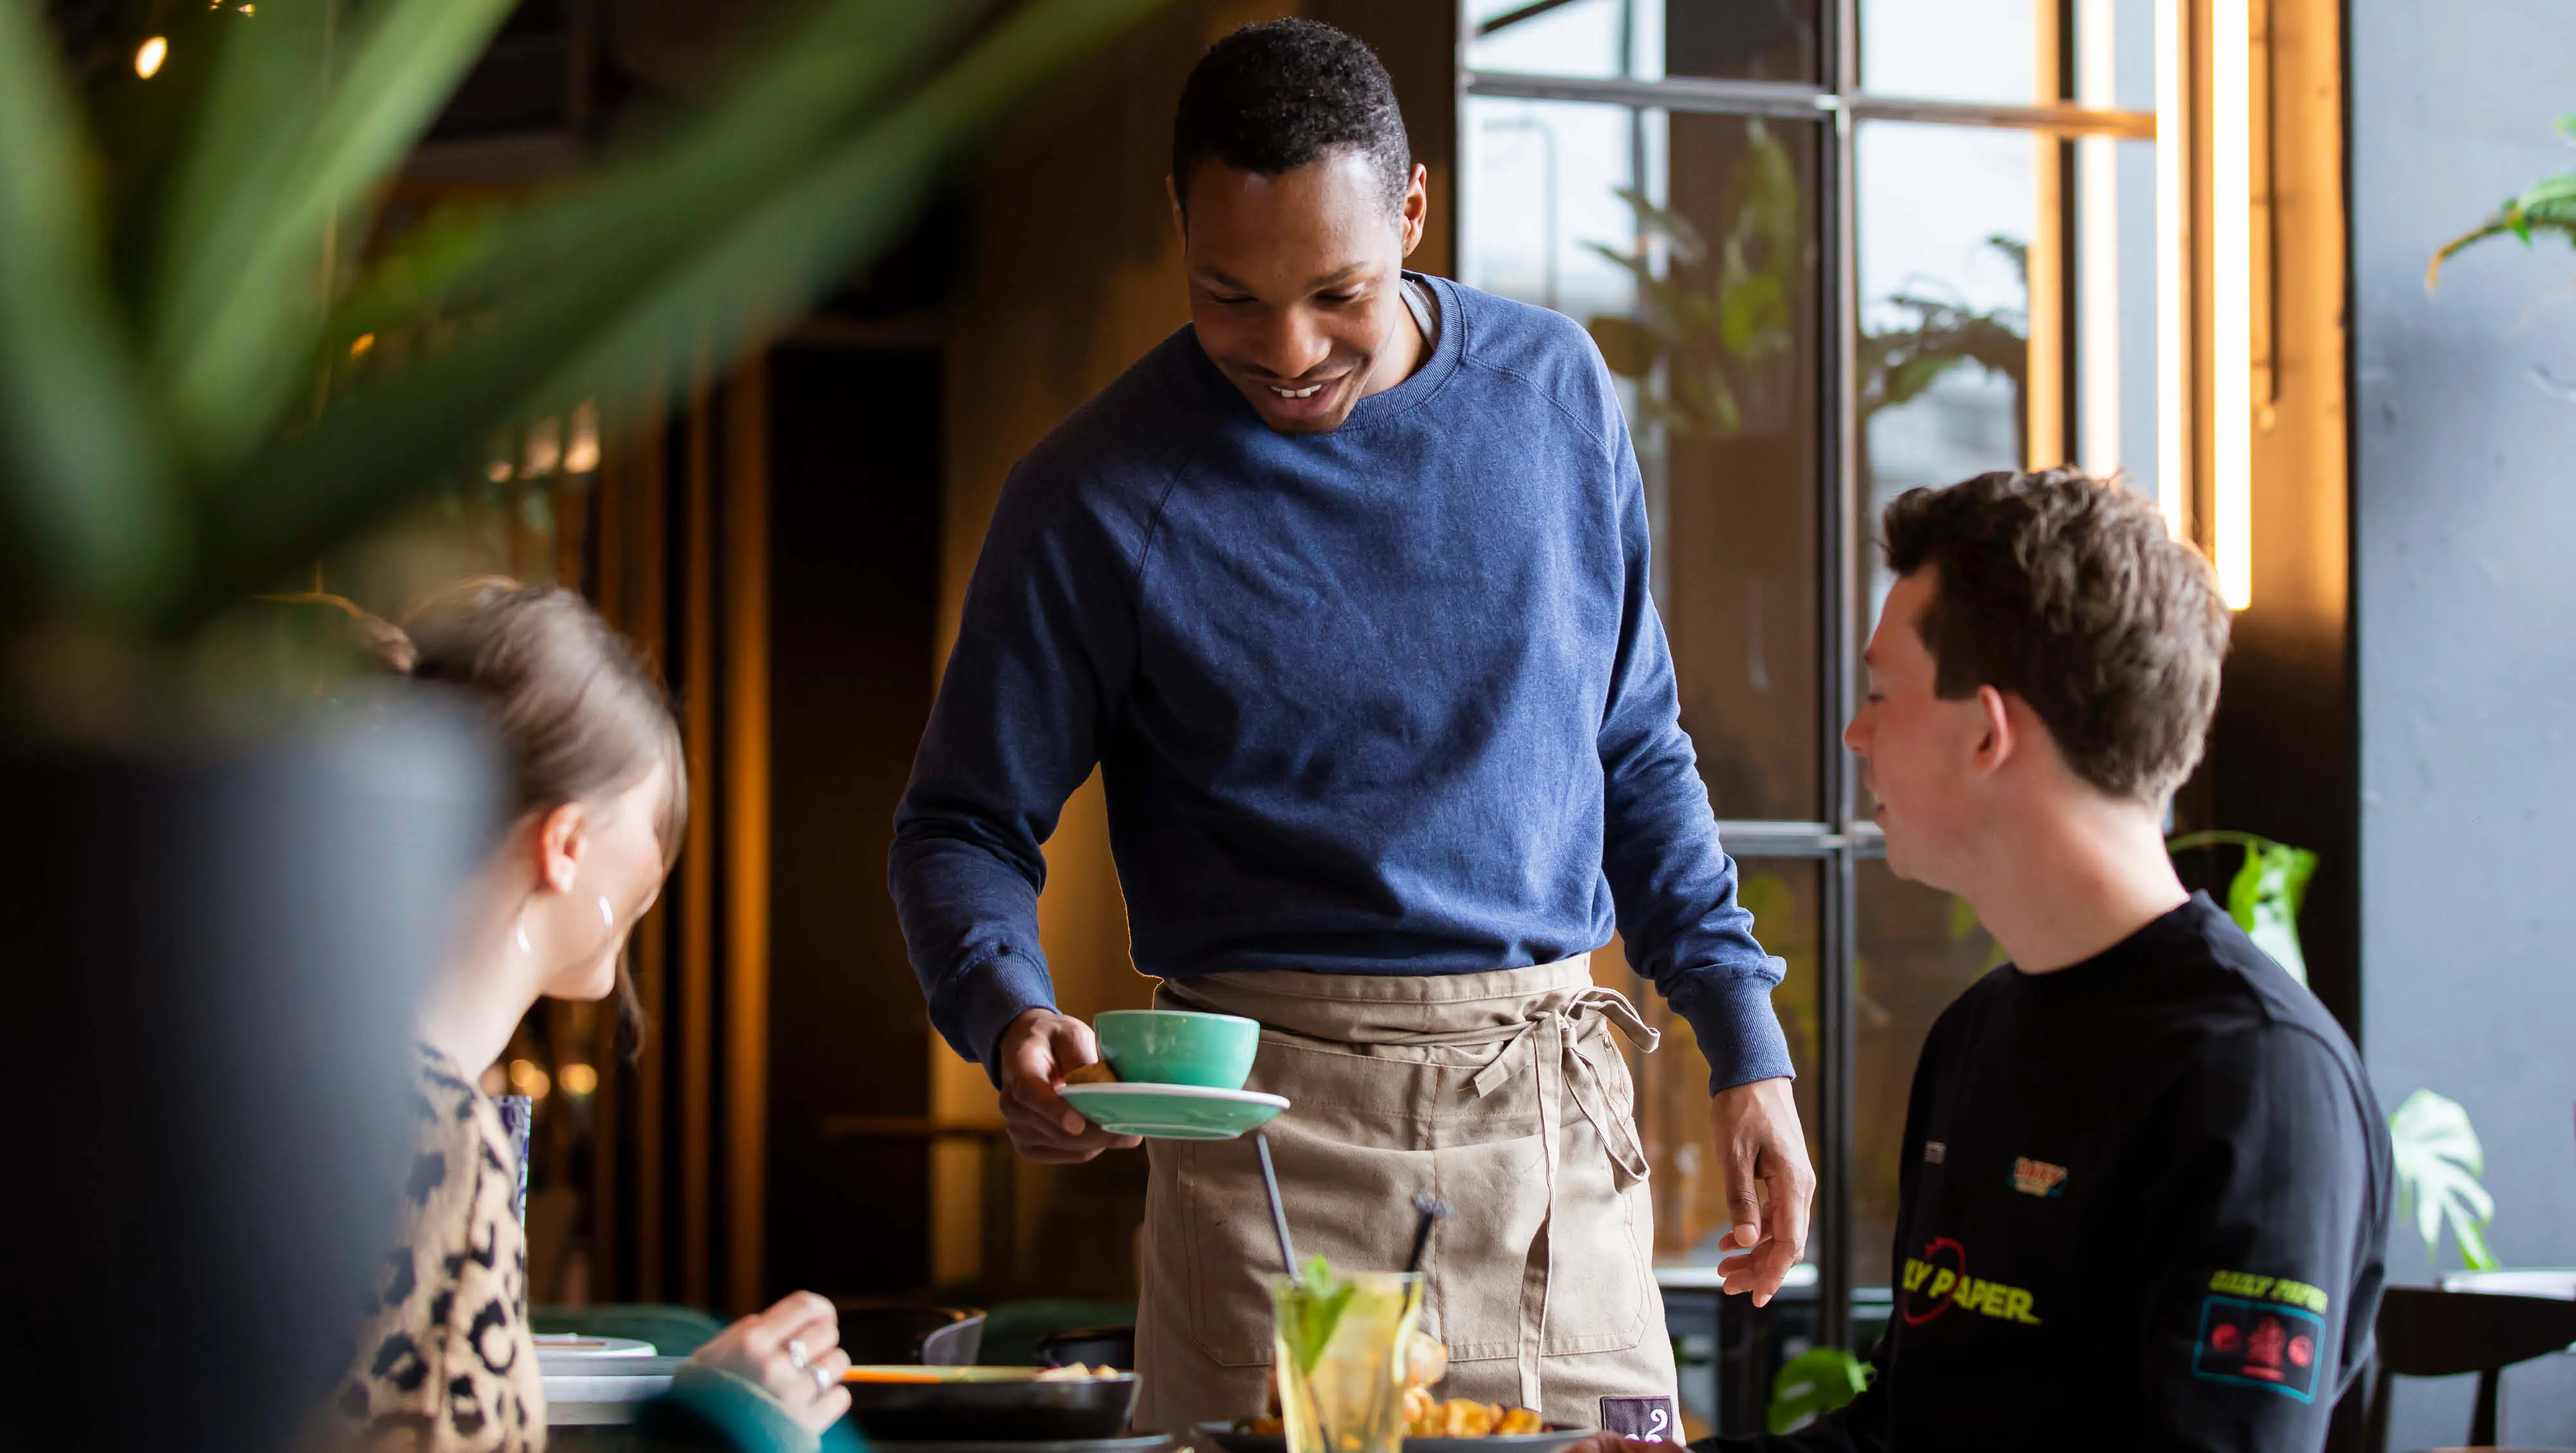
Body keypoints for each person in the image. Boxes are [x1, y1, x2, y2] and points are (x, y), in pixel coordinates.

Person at [888, 19, 1811, 1437]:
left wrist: (1743, 1042)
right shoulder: (1091, 491)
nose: (1287, 351)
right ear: (1177, 230)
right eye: (1229, 298)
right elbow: (961, 824)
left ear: (1414, 212)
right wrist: (1006, 1008)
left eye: (1338, 292)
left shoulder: (1553, 395)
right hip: (1258, 1146)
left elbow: (1631, 745)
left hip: (1546, 1135)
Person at [1597, 469, 2391, 1452]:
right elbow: (1905, 1430)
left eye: (1882, 694)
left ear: (1989, 731)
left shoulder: (2259, 1082)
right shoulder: (1977, 1035)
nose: (1854, 733)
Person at [319, 581, 853, 1452]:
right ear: (566, 844)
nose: (661, 863)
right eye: (653, 824)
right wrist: (717, 1422)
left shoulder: (308, 1072)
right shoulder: (438, 1137)